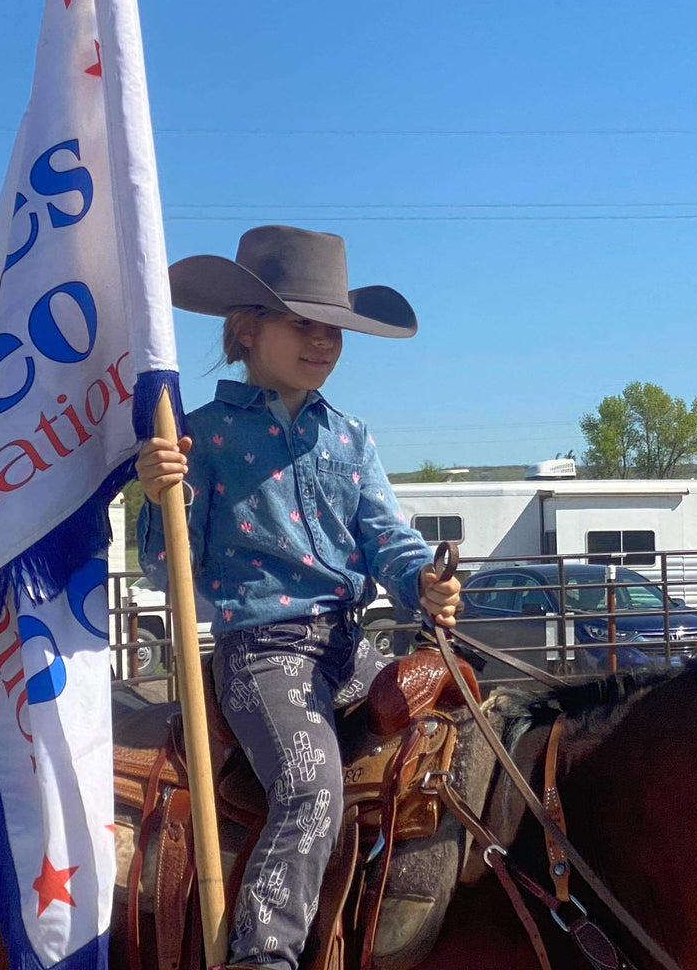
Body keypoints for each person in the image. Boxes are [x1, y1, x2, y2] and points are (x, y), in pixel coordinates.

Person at [135, 225, 460, 970]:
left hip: (350, 645)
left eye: (334, 330)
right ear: (247, 330)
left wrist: (423, 582)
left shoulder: (349, 438)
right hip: (264, 654)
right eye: (302, 325)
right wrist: (160, 495)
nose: (323, 343)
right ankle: (265, 956)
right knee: (311, 789)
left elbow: (388, 538)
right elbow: (162, 565)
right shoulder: (200, 437)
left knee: (459, 736)